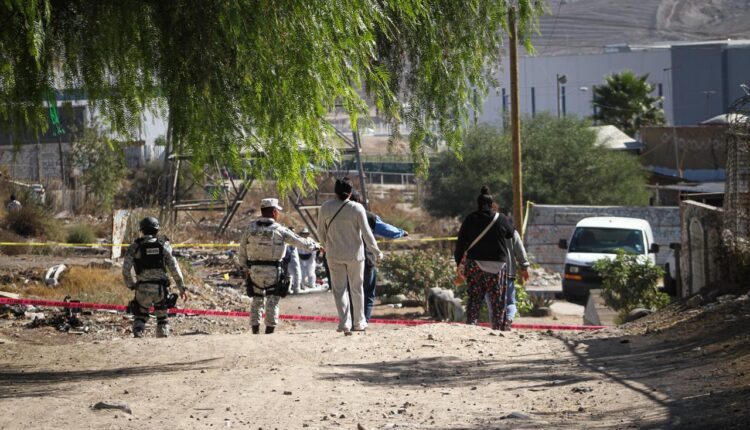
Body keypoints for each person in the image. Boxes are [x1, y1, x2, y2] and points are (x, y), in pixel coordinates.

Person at [239, 198, 320, 334]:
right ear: (274, 212)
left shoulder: (250, 228)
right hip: (273, 271)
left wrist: (244, 269)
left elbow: (242, 251)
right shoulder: (280, 230)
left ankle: (255, 331)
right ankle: (269, 333)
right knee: (272, 300)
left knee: (257, 300)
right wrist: (316, 246)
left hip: (255, 271)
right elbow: (301, 243)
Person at [317, 178, 382, 335]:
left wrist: (326, 246)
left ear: (335, 192)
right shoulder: (357, 208)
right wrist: (377, 251)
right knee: (357, 289)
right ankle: (359, 323)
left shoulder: (325, 208)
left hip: (334, 255)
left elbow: (321, 232)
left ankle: (344, 323)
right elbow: (367, 234)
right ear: (350, 192)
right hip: (355, 256)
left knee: (339, 290)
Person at [454, 186, 514, 329]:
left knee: (475, 296)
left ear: (478, 204)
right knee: (497, 299)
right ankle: (499, 327)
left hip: (474, 264)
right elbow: (510, 234)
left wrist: (458, 263)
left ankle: (471, 325)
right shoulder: (501, 218)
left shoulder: (470, 219)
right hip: (497, 266)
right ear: (492, 204)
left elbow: (461, 243)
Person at [122, 216, 188, 338]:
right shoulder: (164, 245)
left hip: (142, 289)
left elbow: (126, 269)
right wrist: (181, 288)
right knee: (162, 319)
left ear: (142, 230)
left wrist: (131, 285)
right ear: (157, 230)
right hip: (160, 290)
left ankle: (137, 341)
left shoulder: (135, 246)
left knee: (140, 317)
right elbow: (174, 268)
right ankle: (162, 347)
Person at [349, 190, 408, 321]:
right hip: (366, 260)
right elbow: (386, 230)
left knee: (352, 292)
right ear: (359, 202)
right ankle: (363, 322)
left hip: (346, 260)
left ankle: (354, 320)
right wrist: (401, 232)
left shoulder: (339, 217)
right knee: (368, 293)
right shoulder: (368, 216)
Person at [485, 229, 531, 331]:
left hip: (489, 273)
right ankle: (508, 320)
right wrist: (524, 268)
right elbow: (520, 250)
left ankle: (495, 328)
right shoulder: (511, 230)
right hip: (508, 273)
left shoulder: (484, 229)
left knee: (492, 304)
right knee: (510, 303)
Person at [283, 228, 303, 294]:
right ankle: (295, 289)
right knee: (293, 274)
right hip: (289, 260)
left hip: (289, 260)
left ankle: (291, 289)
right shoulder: (289, 240)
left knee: (289, 275)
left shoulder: (289, 240)